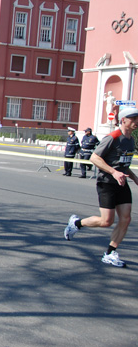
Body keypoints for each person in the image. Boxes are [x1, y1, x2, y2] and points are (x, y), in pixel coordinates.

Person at [64, 107, 138, 268]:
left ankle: (110, 253)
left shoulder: (131, 140)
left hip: (121, 183)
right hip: (107, 183)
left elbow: (123, 164)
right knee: (106, 221)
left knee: (126, 219)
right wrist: (114, 172)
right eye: (133, 119)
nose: (136, 122)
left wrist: (134, 177)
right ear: (123, 120)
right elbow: (94, 158)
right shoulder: (112, 137)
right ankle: (76, 224)